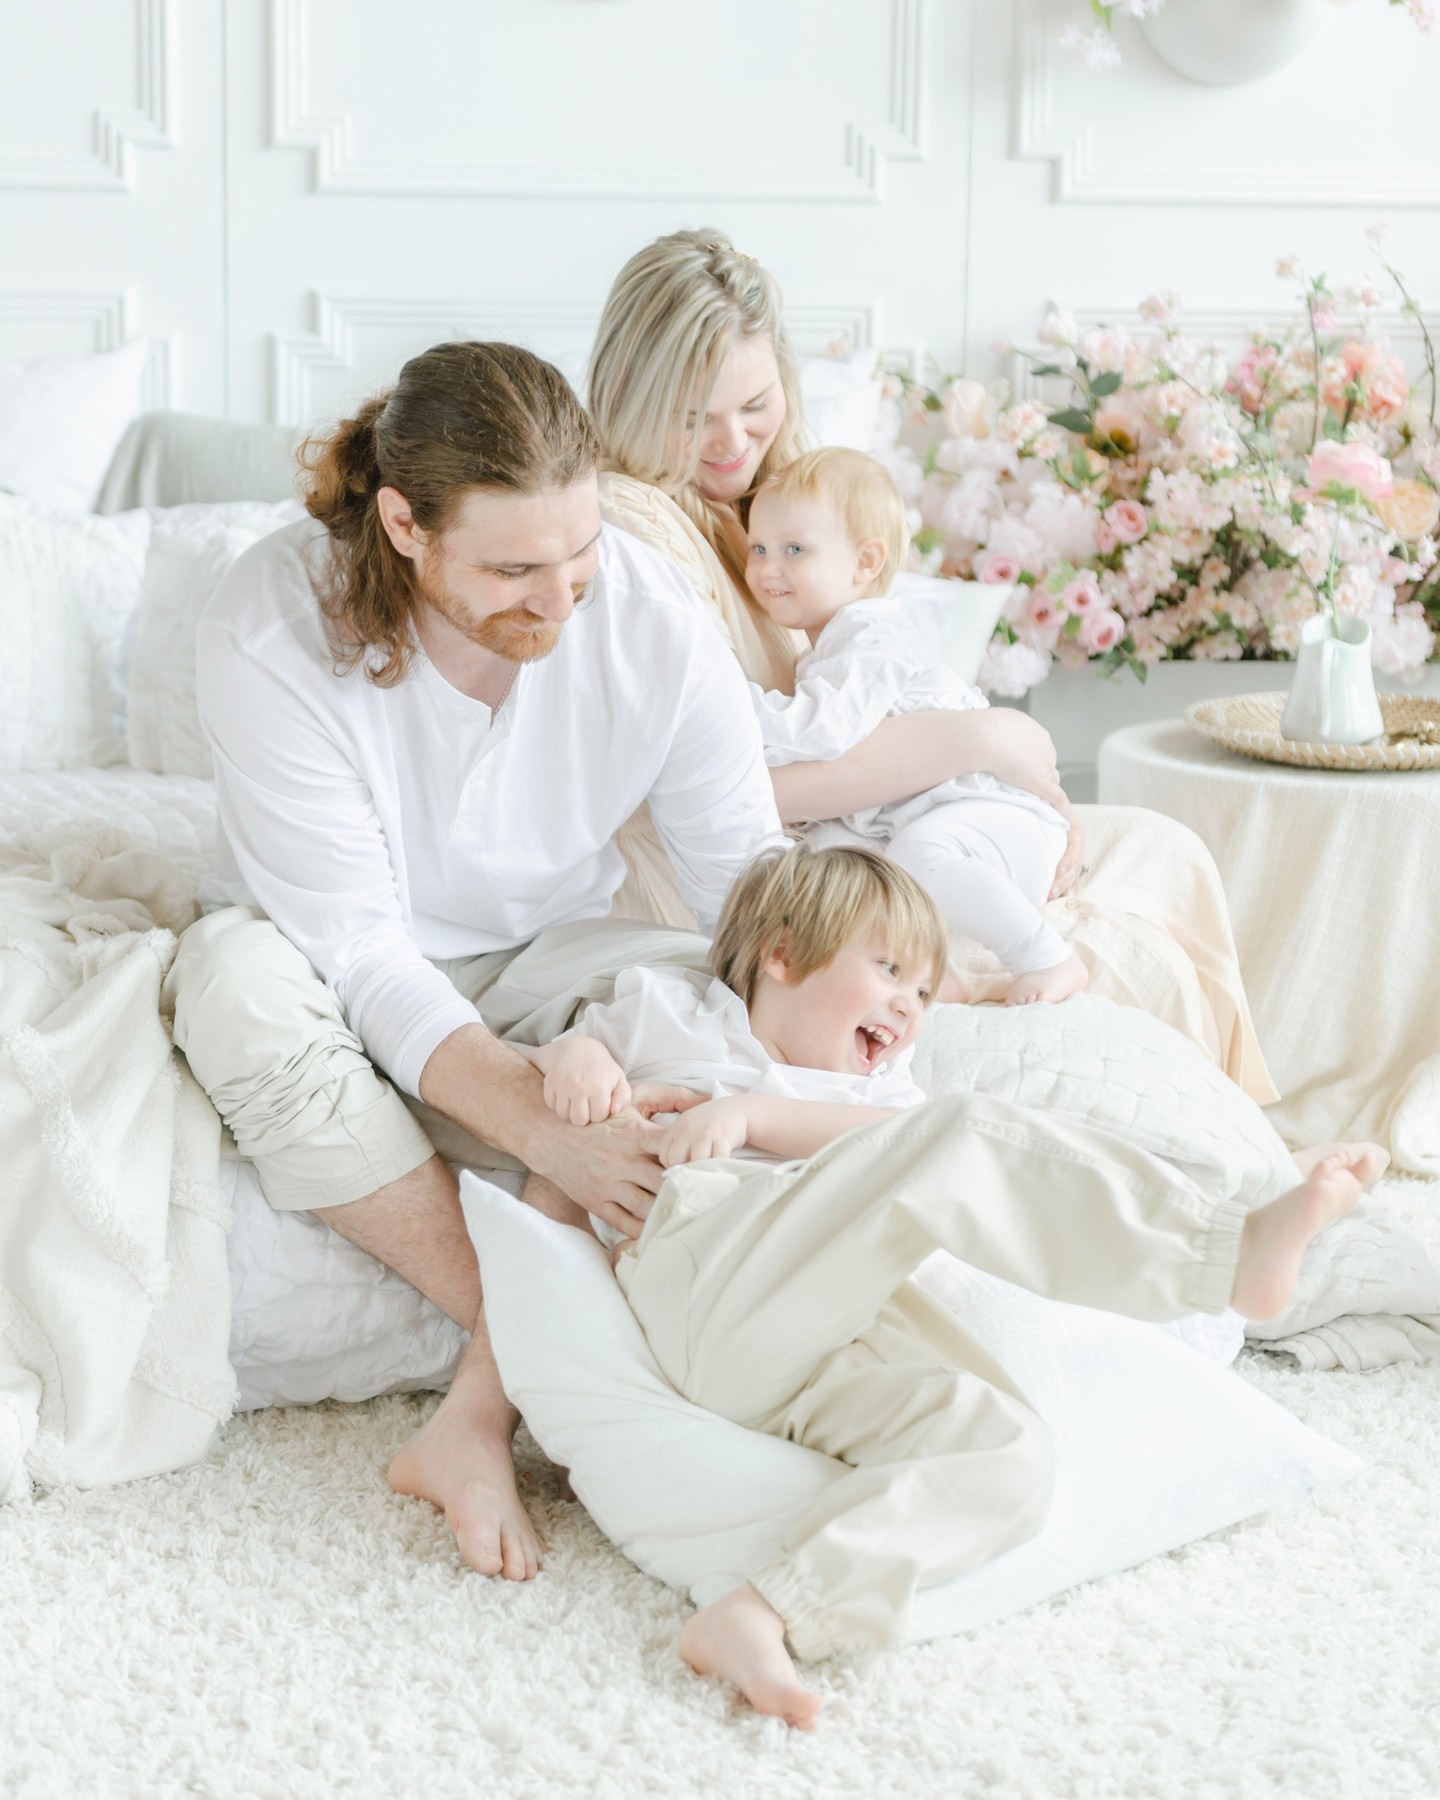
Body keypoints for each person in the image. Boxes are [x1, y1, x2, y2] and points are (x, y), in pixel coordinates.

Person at [163, 340, 787, 1580]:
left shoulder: (646, 615)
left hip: (558, 955)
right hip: (348, 974)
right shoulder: (270, 625)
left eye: (582, 554)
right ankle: (577, 1355)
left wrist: (844, 999)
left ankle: (479, 1409)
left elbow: (747, 891)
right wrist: (542, 1129)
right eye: (513, 569)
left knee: (700, 1011)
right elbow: (359, 948)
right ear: (403, 524)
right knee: (226, 990)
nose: (562, 602)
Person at [523, 843, 1383, 1728]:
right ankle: (1220, 1254)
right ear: (780, 956)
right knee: (961, 1134)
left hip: (817, 1352)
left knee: (1007, 1453)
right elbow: (557, 1063)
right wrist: (575, 1057)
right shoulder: (679, 1018)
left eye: (925, 992)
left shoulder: (886, 1100)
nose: (908, 1003)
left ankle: (766, 1613)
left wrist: (756, 1114)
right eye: (889, 969)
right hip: (713, 1266)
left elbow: (875, 1147)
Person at [587, 229, 1275, 1095]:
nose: (732, 441)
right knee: (1122, 861)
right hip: (754, 875)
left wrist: (1008, 773)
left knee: (1166, 849)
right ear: (635, 402)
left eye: (755, 404)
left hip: (856, 823)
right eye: (693, 417)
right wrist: (979, 742)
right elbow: (711, 790)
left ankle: (1233, 1134)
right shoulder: (632, 534)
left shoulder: (768, 499)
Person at [743, 446, 1089, 1006]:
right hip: (958, 824)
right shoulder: (831, 646)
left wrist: (724, 706)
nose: (766, 567)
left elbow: (816, 733)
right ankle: (931, 972)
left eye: (794, 550)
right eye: (758, 547)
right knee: (835, 857)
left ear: (864, 562)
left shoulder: (868, 637)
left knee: (918, 853)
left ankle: (1047, 958)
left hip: (1001, 821)